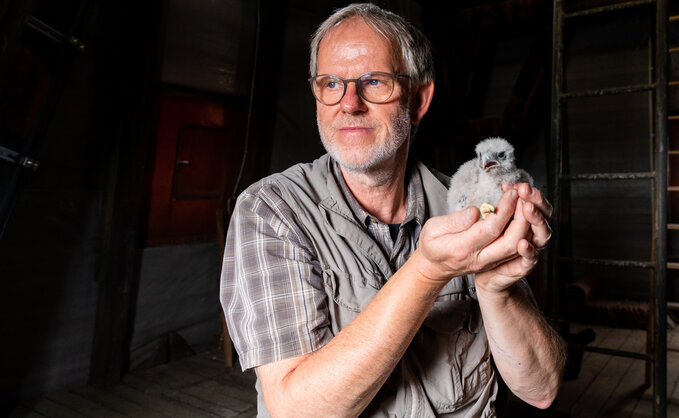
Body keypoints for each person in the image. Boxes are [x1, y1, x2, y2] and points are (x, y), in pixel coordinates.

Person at [220, 3, 566, 416]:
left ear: (418, 100)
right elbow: (297, 410)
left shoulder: (468, 205)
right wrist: (429, 271)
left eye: (374, 82)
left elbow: (541, 388)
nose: (349, 103)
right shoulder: (273, 211)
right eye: (331, 83)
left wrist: (494, 285)